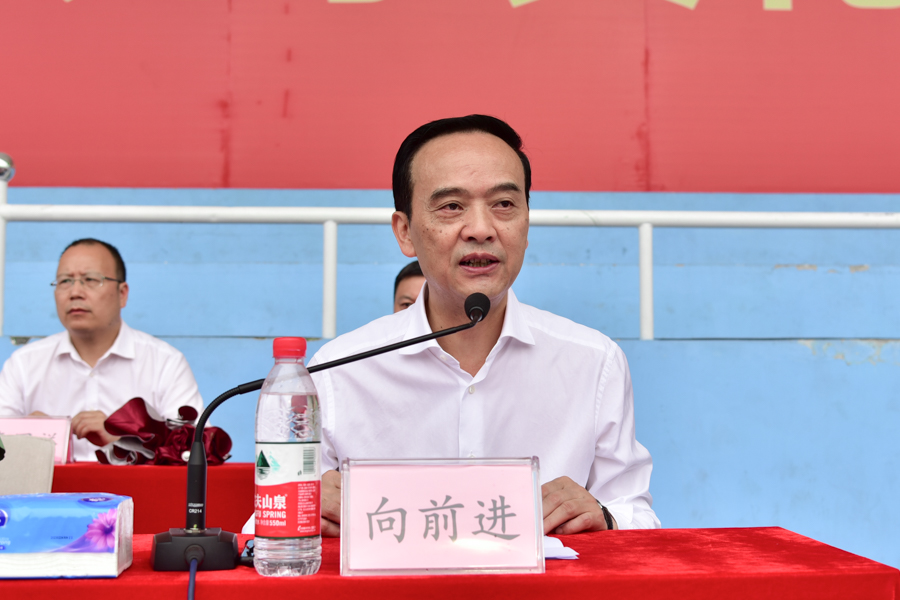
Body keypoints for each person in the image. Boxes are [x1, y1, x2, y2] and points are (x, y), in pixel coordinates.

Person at [312, 115, 660, 537]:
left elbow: (638, 517)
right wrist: (305, 510)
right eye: (451, 206)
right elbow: (264, 531)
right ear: (405, 232)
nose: (481, 230)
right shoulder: (337, 372)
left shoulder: (593, 362)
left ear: (527, 223)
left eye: (504, 205)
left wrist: (605, 517)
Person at [0, 238, 204, 461]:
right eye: (65, 281)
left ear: (122, 294)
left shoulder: (164, 362)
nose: (75, 292)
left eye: (90, 279)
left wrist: (123, 437)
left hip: (133, 484)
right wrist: (26, 435)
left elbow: (195, 451)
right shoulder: (24, 364)